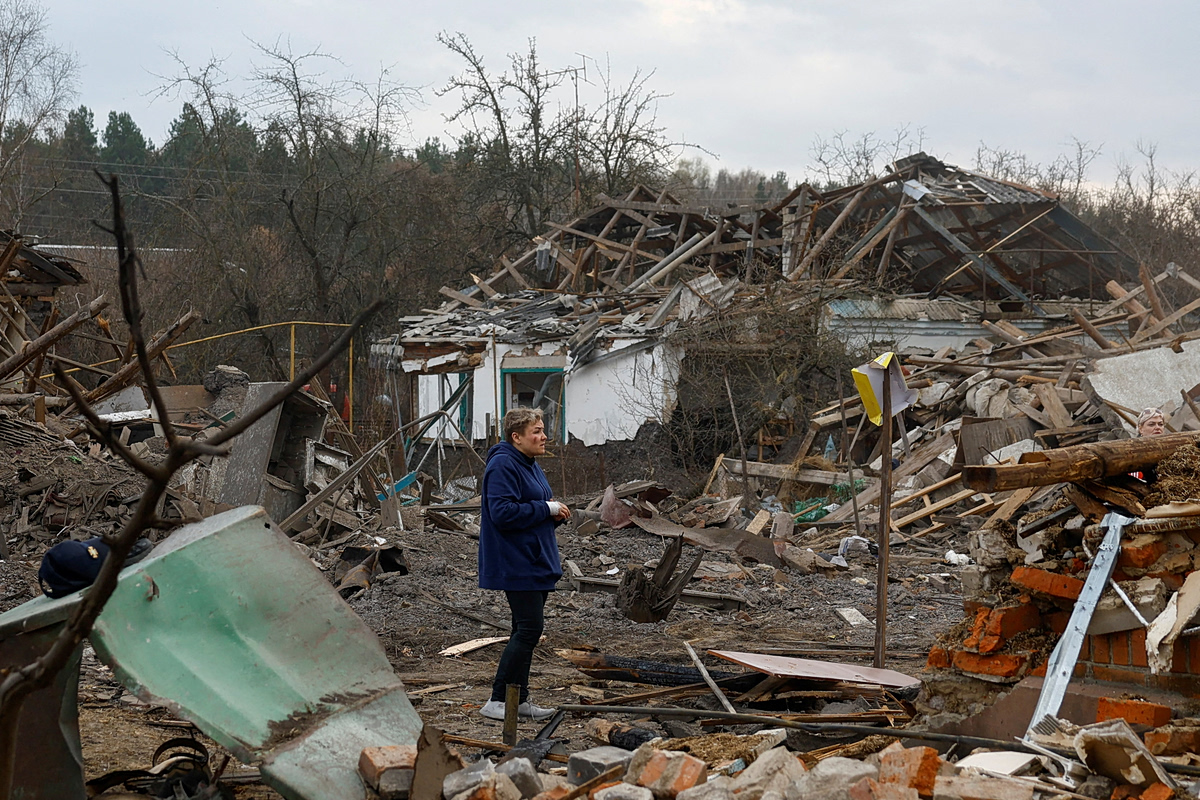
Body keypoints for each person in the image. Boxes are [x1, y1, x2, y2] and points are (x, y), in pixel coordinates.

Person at [478, 407, 571, 721]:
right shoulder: (503, 464)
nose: (543, 437)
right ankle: (497, 699)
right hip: (516, 562)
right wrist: (546, 508)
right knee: (530, 629)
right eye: (536, 432)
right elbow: (502, 513)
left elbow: (531, 510)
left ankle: (520, 699)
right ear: (516, 437)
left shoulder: (529, 464)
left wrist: (551, 514)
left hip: (534, 558)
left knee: (525, 629)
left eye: (542, 430)